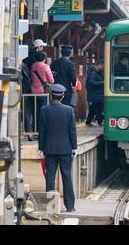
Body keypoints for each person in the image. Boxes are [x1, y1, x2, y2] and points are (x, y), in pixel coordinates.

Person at [38, 84, 77, 212]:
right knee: (67, 177)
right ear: (62, 96)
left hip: (49, 149)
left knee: (50, 177)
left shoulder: (44, 110)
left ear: (51, 95)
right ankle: (70, 206)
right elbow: (72, 131)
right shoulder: (69, 110)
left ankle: (51, 206)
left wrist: (41, 148)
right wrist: (74, 147)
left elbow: (42, 131)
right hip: (66, 149)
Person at [22, 39, 47, 134]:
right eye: (42, 47)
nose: (42, 48)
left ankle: (31, 131)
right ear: (38, 47)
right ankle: (37, 130)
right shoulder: (37, 61)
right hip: (34, 88)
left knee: (30, 110)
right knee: (35, 110)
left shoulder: (26, 56)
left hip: (28, 87)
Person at [31, 51, 54, 135]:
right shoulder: (45, 66)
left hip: (33, 92)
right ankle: (43, 131)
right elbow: (51, 80)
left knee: (35, 112)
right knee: (44, 112)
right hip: (43, 92)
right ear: (44, 58)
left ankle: (35, 130)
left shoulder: (33, 66)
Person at [86, 60, 105, 127]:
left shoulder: (97, 72)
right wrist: (103, 83)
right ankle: (99, 122)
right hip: (95, 94)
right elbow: (91, 83)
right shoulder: (93, 73)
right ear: (99, 65)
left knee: (93, 109)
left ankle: (88, 122)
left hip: (95, 94)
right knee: (98, 109)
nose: (103, 67)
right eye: (103, 66)